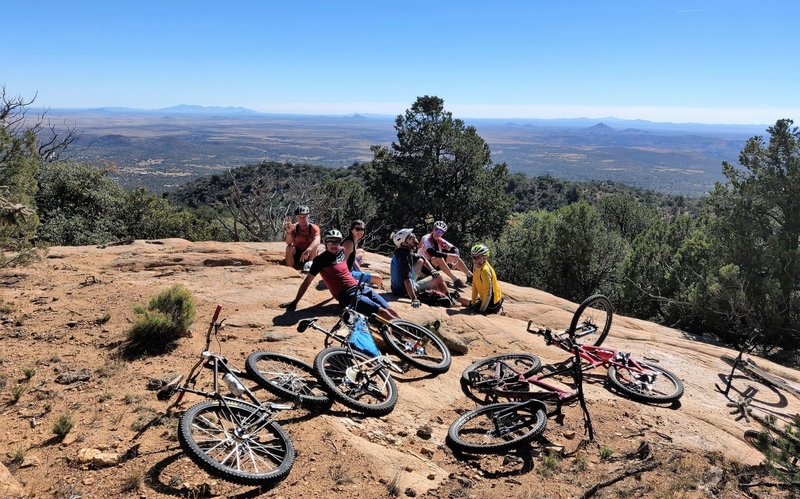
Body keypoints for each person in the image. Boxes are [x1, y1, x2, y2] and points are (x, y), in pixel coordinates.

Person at [281, 229, 400, 321]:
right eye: (330, 241)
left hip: (360, 287)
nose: (334, 244)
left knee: (390, 310)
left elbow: (351, 258)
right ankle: (408, 335)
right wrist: (295, 302)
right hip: (349, 296)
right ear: (325, 243)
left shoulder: (341, 251)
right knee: (383, 313)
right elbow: (307, 282)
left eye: (337, 241)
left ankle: (411, 329)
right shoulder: (320, 260)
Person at [390, 228, 451, 308]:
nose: (414, 238)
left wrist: (432, 269)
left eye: (413, 236)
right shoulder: (405, 257)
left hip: (396, 289)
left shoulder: (401, 251)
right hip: (404, 291)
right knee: (439, 277)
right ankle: (449, 298)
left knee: (420, 261)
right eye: (410, 238)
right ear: (404, 243)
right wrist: (414, 299)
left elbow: (421, 257)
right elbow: (407, 280)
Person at [418, 221, 473, 288]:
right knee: (439, 258)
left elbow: (454, 248)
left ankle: (469, 275)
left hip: (432, 266)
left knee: (453, 256)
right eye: (437, 230)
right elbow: (431, 251)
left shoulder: (440, 240)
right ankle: (455, 279)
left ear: (443, 233)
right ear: (433, 229)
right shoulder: (426, 238)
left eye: (441, 232)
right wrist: (447, 255)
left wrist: (456, 256)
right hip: (422, 267)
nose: (438, 233)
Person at [458, 243, 504, 315]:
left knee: (463, 301)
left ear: (485, 257)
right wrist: (473, 303)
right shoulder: (476, 267)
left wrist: (481, 310)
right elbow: (475, 286)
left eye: (477, 257)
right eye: (473, 257)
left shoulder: (485, 271)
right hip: (485, 298)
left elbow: (488, 293)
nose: (475, 260)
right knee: (462, 300)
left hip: (492, 303)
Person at [341, 220, 384, 289]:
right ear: (352, 230)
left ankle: (366, 282)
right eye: (358, 229)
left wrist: (361, 273)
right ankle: (379, 290)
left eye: (362, 229)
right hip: (347, 274)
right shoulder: (349, 243)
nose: (360, 232)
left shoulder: (353, 240)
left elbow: (353, 259)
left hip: (350, 268)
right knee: (378, 278)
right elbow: (341, 263)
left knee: (361, 251)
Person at [284, 205, 321, 270]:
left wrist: (308, 249)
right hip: (297, 254)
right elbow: (288, 242)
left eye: (304, 217)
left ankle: (310, 270)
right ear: (296, 218)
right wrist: (289, 232)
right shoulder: (294, 227)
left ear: (308, 217)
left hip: (309, 255)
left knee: (314, 248)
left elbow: (317, 240)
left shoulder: (313, 228)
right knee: (289, 248)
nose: (302, 219)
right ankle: (290, 269)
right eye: (299, 217)